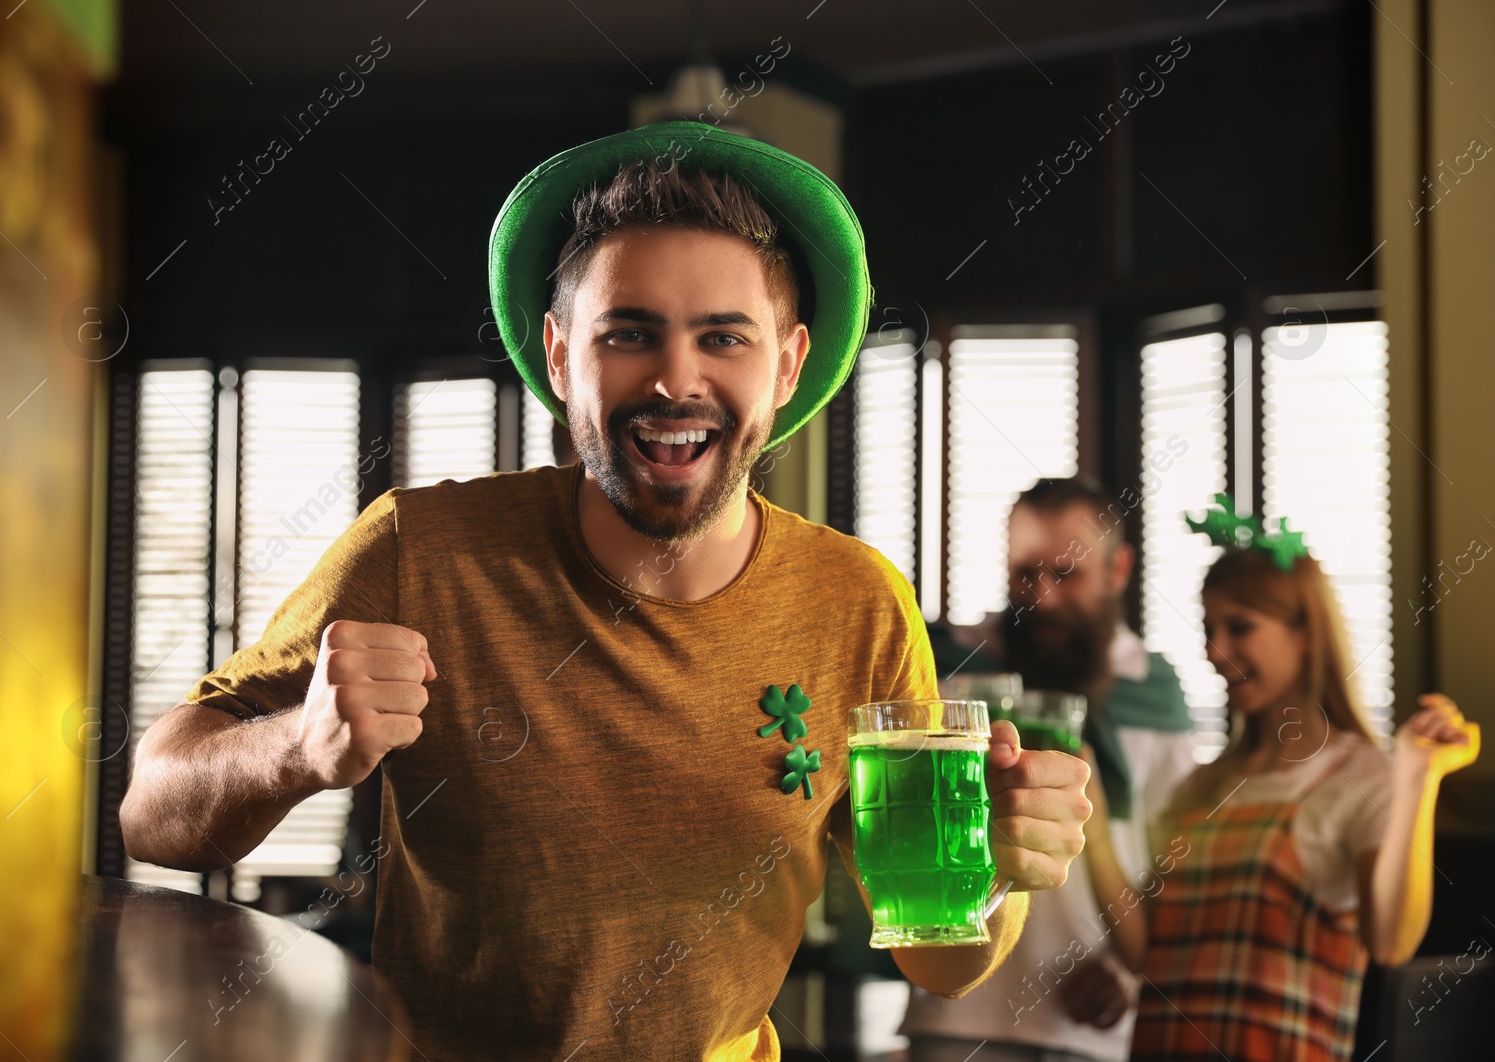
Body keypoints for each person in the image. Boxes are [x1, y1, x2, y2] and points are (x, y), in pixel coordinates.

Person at [118, 122, 1092, 1061]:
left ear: (786, 365)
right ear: (556, 354)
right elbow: (150, 815)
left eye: (724, 338)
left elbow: (937, 955)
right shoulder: (419, 549)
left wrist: (995, 870)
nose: (675, 379)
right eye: (630, 333)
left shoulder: (857, 600)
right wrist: (299, 744)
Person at [1089, 499, 1480, 1062]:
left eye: (1239, 627)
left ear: (1305, 633)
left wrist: (1417, 775)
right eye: (1208, 629)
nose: (1215, 652)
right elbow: (1143, 951)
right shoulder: (1201, 786)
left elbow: (1391, 942)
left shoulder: (1359, 777)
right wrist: (1092, 820)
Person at [902, 476, 1196, 1062]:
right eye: (1025, 574)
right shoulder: (949, 672)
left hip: (1085, 1024)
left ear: (1117, 571)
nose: (1042, 597)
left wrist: (1129, 975)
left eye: (1067, 575)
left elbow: (1177, 872)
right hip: (957, 1014)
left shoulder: (1155, 696)